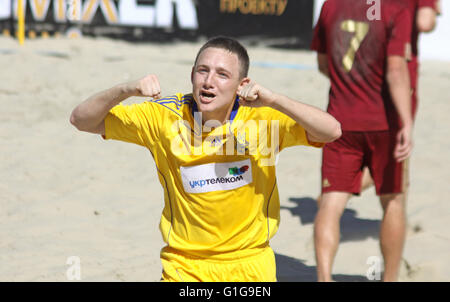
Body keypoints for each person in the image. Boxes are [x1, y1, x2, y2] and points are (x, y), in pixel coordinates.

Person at [70, 36, 341, 282]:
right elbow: (81, 120)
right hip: (185, 265)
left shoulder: (264, 121)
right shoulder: (163, 117)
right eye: (203, 70)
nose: (209, 81)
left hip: (250, 262)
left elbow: (331, 131)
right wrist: (126, 89)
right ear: (192, 75)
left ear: (241, 85)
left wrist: (276, 100)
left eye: (223, 74)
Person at [311, 0, 413, 281]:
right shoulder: (395, 9)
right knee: (392, 200)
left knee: (331, 203)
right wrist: (406, 122)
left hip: (339, 119)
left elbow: (323, 63)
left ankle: (323, 277)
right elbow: (395, 70)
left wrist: (349, 82)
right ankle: (389, 278)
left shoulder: (331, 6)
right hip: (383, 121)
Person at [358, 0, 441, 192]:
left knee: (363, 143)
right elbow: (425, 22)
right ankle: (339, 193)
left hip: (365, 65)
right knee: (399, 151)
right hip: (398, 66)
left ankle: (339, 192)